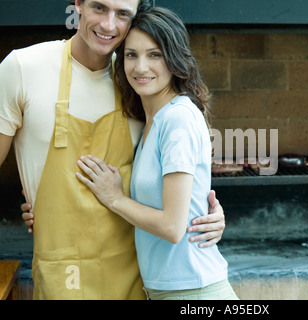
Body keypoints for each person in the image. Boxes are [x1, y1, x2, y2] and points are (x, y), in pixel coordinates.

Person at [0, 0, 225, 300]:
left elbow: (173, 173)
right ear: (77, 4)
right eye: (99, 7)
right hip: (64, 271)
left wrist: (203, 214)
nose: (108, 25)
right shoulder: (23, 68)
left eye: (122, 14)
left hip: (136, 275)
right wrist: (33, 200)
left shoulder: (136, 81)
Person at [75, 6, 238, 300]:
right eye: (131, 55)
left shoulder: (177, 119)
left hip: (193, 291)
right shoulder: (150, 119)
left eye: (155, 55)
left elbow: (173, 227)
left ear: (174, 58)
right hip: (167, 290)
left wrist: (114, 198)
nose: (141, 68)